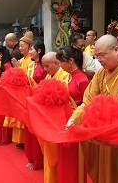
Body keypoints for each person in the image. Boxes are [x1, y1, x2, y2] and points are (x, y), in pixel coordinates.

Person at [66, 34, 118, 183]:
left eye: (102, 55)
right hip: (102, 135)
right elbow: (88, 102)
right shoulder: (100, 74)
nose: (98, 60)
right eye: (96, 56)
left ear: (116, 50)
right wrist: (74, 118)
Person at [56, 46, 89, 183]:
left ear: (70, 60)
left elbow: (87, 102)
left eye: (61, 62)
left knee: (76, 157)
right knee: (66, 155)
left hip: (77, 121)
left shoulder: (82, 79)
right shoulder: (68, 77)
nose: (59, 65)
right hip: (66, 119)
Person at [39, 51, 69, 183]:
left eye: (46, 66)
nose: (44, 70)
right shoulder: (49, 76)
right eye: (43, 66)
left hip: (60, 123)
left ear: (56, 63)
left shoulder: (65, 77)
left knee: (59, 155)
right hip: (48, 121)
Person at [4, 31, 34, 149]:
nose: (20, 48)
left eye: (23, 46)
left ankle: (23, 140)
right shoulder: (23, 59)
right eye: (20, 46)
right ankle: (20, 140)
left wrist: (18, 68)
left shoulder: (30, 60)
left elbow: (27, 77)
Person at [25, 39, 46, 170]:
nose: (29, 51)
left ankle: (39, 160)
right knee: (30, 130)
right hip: (31, 100)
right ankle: (31, 157)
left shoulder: (45, 66)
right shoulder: (30, 65)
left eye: (31, 49)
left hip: (41, 101)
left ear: (39, 50)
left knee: (38, 130)